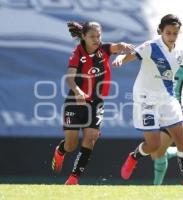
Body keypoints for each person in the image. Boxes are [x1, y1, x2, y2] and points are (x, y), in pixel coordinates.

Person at [112, 14, 183, 186]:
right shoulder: (151, 46)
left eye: (175, 33)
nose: (171, 37)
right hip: (146, 98)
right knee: (153, 146)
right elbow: (132, 55)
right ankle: (134, 156)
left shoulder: (181, 53)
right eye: (168, 33)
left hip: (168, 99)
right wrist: (121, 58)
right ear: (161, 31)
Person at [51, 21, 134, 185]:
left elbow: (116, 47)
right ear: (83, 36)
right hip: (75, 101)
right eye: (92, 37)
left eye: (98, 36)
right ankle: (60, 151)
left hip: (96, 102)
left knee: (91, 138)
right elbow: (69, 78)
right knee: (71, 144)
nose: (96, 40)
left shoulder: (104, 49)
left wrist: (124, 46)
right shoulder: (78, 53)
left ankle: (74, 178)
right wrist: (78, 91)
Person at [151, 67, 183, 185]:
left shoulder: (182, 71)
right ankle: (180, 149)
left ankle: (155, 188)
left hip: (174, 113)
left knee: (158, 152)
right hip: (158, 113)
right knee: (155, 153)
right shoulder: (156, 67)